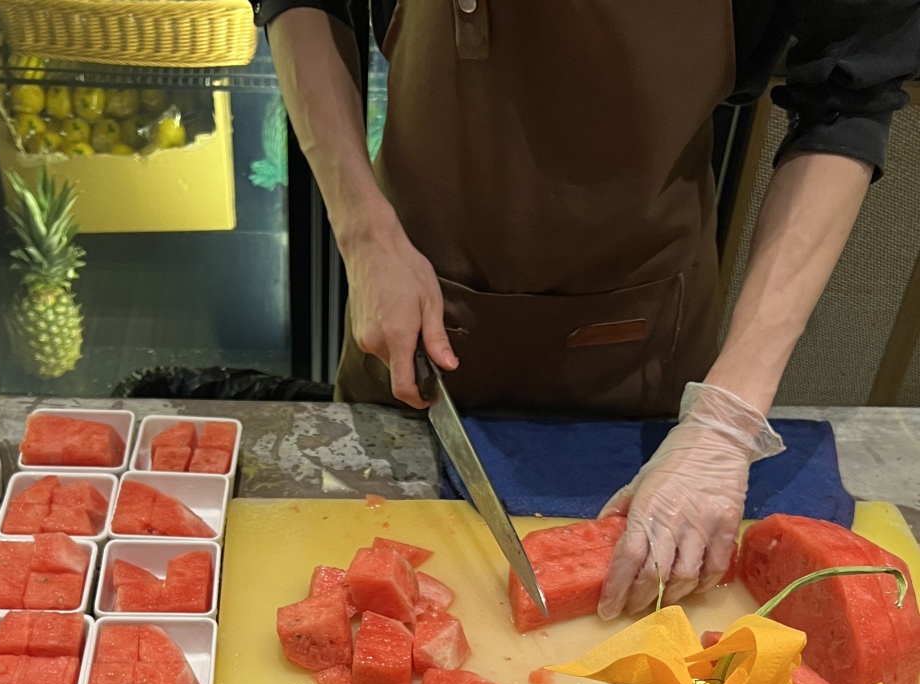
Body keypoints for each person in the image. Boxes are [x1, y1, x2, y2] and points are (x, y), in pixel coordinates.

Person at [259, 0, 920, 616]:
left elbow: (847, 94)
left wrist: (728, 420)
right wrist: (364, 233)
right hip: (417, 293)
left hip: (643, 317)